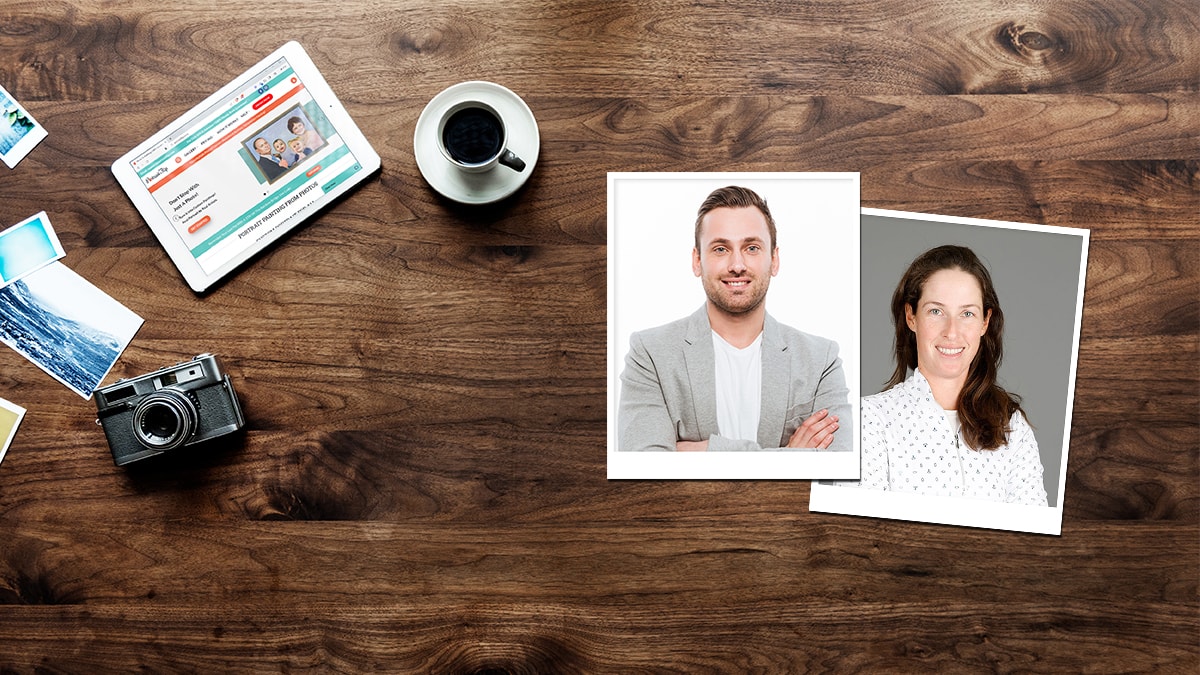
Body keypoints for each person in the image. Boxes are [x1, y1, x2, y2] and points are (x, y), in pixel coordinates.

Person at [618, 185, 852, 452]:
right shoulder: (649, 353)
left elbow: (837, 466)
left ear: (774, 260)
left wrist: (694, 451)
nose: (737, 265)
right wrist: (789, 456)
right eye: (720, 249)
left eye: (752, 247)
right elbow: (644, 466)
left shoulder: (821, 360)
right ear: (697, 260)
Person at [853, 245, 1047, 504]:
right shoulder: (870, 421)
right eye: (936, 311)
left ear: (985, 322)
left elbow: (1034, 538)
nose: (952, 332)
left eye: (967, 313)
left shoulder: (1012, 427)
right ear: (911, 316)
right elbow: (862, 534)